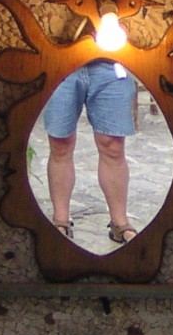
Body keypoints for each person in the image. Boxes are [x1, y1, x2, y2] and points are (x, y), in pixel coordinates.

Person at [42, 60, 138, 244]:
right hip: (60, 60)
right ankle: (60, 220)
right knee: (60, 143)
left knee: (113, 146)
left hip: (111, 62)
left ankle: (120, 223)